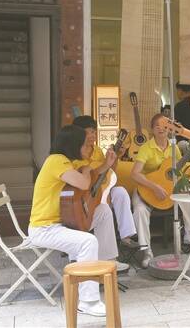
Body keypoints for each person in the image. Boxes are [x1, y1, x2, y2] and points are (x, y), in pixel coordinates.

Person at [27, 125, 120, 317]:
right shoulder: (56, 161)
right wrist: (86, 168)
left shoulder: (68, 161)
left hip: (62, 223)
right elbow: (84, 182)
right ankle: (88, 301)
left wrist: (106, 164)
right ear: (73, 145)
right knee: (88, 241)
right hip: (45, 228)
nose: (89, 148)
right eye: (85, 145)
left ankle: (105, 266)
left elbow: (91, 175)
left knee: (103, 211)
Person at [130, 113, 190, 268]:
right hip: (146, 190)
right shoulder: (146, 148)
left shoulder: (174, 148)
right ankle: (146, 251)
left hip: (168, 191)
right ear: (152, 129)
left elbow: (177, 171)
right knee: (140, 210)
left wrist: (186, 179)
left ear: (170, 129)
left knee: (189, 195)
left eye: (165, 126)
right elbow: (135, 174)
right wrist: (154, 187)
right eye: (157, 126)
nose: (161, 129)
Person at [72, 116, 140, 250]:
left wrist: (116, 158)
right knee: (104, 203)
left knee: (120, 192)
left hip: (101, 189)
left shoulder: (97, 150)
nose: (92, 136)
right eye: (88, 132)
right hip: (84, 195)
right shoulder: (73, 154)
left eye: (94, 132)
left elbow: (108, 173)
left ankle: (126, 236)